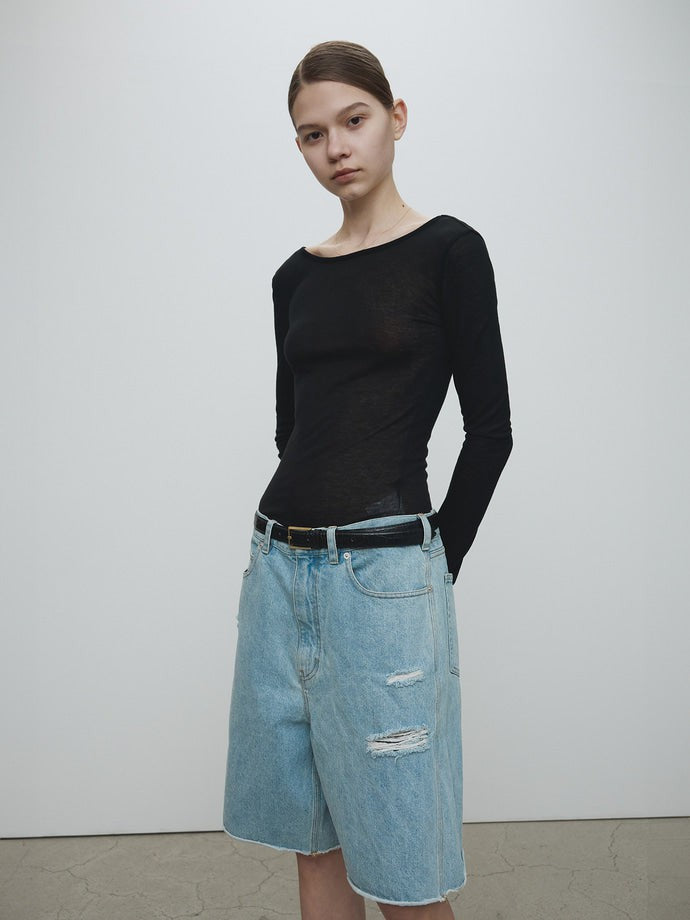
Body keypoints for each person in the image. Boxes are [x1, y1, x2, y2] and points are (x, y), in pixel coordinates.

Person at [223, 39, 513, 920]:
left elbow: (491, 431)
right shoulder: (294, 277)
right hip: (278, 573)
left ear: (396, 117)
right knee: (314, 841)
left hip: (383, 579)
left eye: (353, 121)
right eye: (313, 135)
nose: (336, 148)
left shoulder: (449, 251)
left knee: (403, 865)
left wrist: (430, 565)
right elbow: (294, 427)